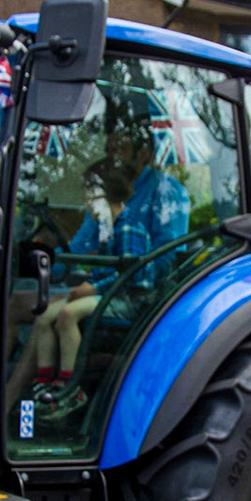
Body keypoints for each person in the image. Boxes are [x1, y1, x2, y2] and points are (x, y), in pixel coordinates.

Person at [28, 142, 189, 407]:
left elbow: (131, 277)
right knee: (44, 314)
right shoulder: (107, 230)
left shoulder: (129, 229)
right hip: (109, 294)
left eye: (91, 197)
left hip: (129, 300)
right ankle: (45, 381)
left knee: (68, 314)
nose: (88, 204)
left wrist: (92, 288)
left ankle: (70, 387)